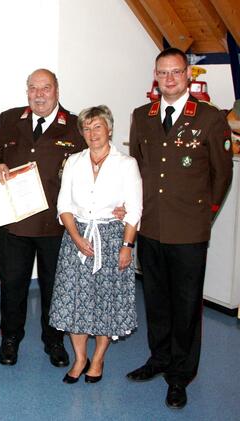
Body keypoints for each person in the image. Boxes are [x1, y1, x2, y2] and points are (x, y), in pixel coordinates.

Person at [127, 48, 233, 409]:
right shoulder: (141, 116)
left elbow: (222, 175)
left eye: (175, 72)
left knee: (186, 305)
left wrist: (205, 215)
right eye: (162, 73)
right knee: (155, 301)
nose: (169, 79)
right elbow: (138, 171)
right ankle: (159, 359)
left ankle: (180, 375)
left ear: (187, 76)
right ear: (154, 77)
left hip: (189, 229)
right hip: (151, 226)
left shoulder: (210, 117)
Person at [0, 69, 85, 367]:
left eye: (45, 88)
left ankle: (53, 340)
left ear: (57, 90)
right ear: (26, 91)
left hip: (56, 225)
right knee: (12, 285)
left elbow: (91, 170)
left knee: (54, 287)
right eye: (33, 88)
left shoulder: (76, 125)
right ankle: (10, 339)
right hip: (13, 223)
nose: (39, 94)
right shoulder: (10, 119)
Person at [49, 105, 142, 384]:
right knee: (75, 303)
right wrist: (77, 239)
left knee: (105, 304)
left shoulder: (126, 164)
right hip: (75, 237)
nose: (92, 133)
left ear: (109, 129)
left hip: (112, 239)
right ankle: (79, 358)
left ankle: (98, 358)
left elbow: (135, 209)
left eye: (97, 126)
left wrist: (127, 245)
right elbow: (63, 204)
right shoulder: (74, 161)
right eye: (86, 128)